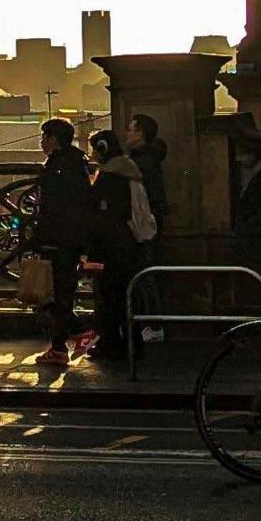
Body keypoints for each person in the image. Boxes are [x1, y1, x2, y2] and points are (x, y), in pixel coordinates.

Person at [84, 127, 156, 362]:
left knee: (109, 297)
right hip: (130, 242)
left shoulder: (110, 175)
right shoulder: (129, 170)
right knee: (127, 296)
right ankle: (134, 344)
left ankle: (112, 344)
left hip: (111, 246)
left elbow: (102, 212)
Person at [29, 117, 93, 375]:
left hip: (59, 239)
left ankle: (64, 343)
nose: (41, 142)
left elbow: (54, 208)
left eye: (44, 137)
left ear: (53, 139)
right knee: (60, 292)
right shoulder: (74, 163)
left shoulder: (59, 167)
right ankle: (67, 339)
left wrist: (41, 237)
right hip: (68, 239)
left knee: (56, 293)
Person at [126, 114, 170, 262]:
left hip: (142, 222)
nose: (127, 133)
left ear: (139, 134)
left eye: (130, 129)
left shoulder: (140, 164)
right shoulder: (149, 158)